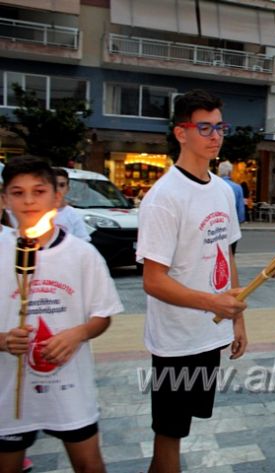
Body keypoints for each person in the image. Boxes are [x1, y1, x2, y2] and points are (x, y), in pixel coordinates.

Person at [136, 90, 248, 473]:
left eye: (220, 127)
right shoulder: (164, 198)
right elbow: (153, 281)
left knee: (176, 433)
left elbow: (226, 254)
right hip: (176, 340)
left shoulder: (222, 190)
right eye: (205, 127)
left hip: (210, 333)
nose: (215, 136)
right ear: (181, 133)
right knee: (168, 434)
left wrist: (237, 317)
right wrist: (212, 303)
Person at [0, 156, 123, 473]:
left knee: (89, 464)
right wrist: (1, 340)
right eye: (17, 192)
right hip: (9, 391)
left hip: (69, 389)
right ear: (4, 199)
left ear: (57, 196)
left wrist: (77, 333)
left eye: (38, 191)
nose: (28, 201)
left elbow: (103, 314)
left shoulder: (82, 254)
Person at [51, 168, 91, 242]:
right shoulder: (36, 212)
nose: (57, 189)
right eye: (54, 185)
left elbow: (83, 241)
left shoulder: (72, 214)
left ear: (67, 189)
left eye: (62, 185)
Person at [217, 161, 246, 254]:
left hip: (216, 224)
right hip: (232, 224)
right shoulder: (237, 187)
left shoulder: (214, 186)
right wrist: (240, 221)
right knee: (231, 253)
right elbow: (240, 209)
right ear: (230, 172)